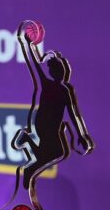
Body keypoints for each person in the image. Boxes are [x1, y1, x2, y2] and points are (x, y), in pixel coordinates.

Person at [14, 23, 94, 189]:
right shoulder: (48, 85)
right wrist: (26, 44)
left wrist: (81, 135)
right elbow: (34, 65)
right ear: (54, 72)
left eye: (63, 69)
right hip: (45, 125)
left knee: (57, 152)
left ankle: (28, 144)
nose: (63, 72)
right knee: (56, 151)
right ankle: (30, 164)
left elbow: (74, 114)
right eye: (59, 69)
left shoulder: (65, 90)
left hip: (51, 126)